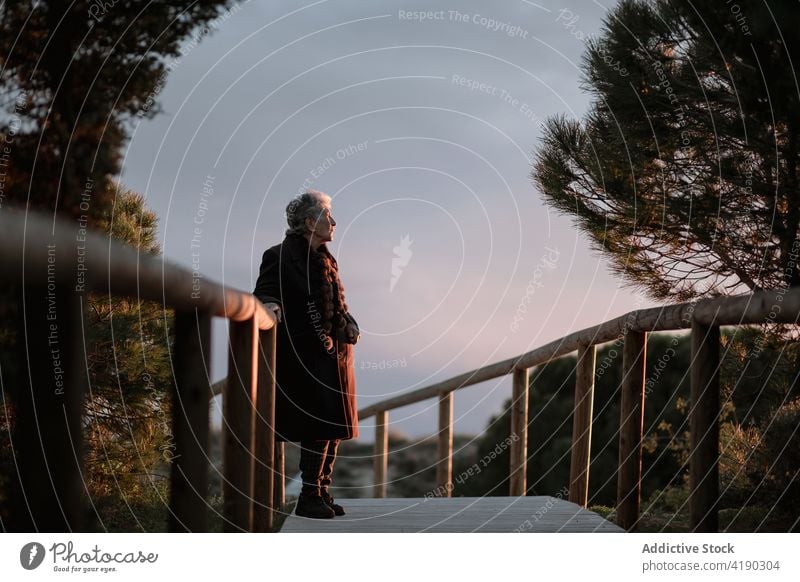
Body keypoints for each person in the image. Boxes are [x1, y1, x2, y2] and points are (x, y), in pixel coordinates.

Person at [253, 190, 360, 519]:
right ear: (311, 222)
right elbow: (264, 290)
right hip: (304, 354)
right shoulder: (279, 255)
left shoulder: (326, 258)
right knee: (317, 424)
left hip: (335, 356)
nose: (334, 222)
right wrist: (270, 305)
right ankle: (309, 497)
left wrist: (349, 322)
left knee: (332, 426)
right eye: (328, 216)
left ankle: (321, 492)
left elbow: (336, 302)